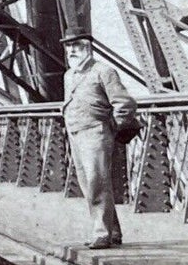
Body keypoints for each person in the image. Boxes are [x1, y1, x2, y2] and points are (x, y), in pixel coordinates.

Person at [59, 26, 138, 250]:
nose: (72, 50)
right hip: (76, 133)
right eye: (68, 46)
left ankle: (101, 233)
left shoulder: (104, 71)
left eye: (77, 45)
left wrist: (113, 127)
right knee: (88, 184)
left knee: (97, 183)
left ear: (88, 47)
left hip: (96, 132)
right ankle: (112, 231)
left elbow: (125, 103)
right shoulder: (69, 75)